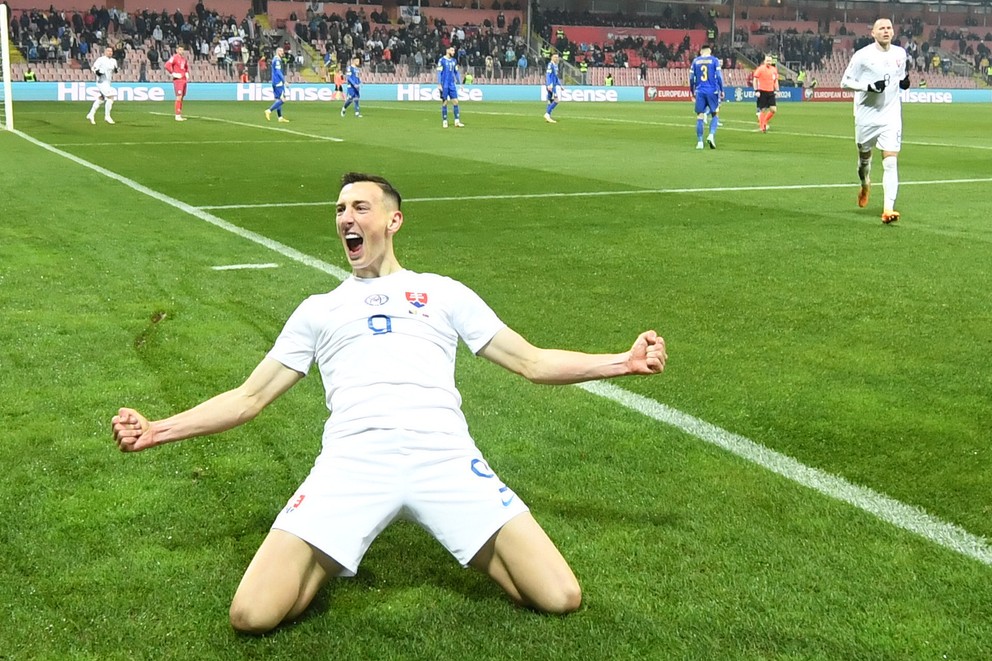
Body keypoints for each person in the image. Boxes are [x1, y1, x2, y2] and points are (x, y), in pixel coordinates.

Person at [111, 171, 668, 635]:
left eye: (359, 207)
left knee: (559, 595)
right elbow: (250, 397)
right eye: (339, 210)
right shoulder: (318, 309)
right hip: (353, 462)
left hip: (444, 456)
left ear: (392, 220)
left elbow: (532, 362)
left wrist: (621, 361)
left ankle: (338, 543)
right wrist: (158, 429)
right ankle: (330, 545)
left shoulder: (445, 292)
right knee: (251, 615)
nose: (345, 219)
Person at [841, 18, 910, 224]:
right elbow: (845, 82)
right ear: (873, 33)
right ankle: (865, 184)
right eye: (881, 28)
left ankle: (888, 209)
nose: (886, 31)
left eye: (889, 28)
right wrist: (868, 87)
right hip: (866, 115)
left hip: (891, 115)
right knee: (864, 161)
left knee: (890, 161)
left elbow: (898, 77)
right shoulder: (863, 56)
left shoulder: (900, 53)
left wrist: (904, 83)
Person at [689, 44, 723, 149]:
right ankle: (711, 135)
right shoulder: (714, 60)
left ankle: (700, 142)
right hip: (712, 91)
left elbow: (691, 78)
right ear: (709, 51)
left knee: (700, 116)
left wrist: (692, 91)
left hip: (700, 91)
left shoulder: (695, 61)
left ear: (701, 51)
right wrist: (721, 89)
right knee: (715, 113)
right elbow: (718, 76)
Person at [87, 46, 119, 125]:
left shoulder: (114, 61)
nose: (110, 52)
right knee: (111, 97)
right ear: (105, 52)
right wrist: (97, 72)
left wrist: (116, 70)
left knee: (101, 98)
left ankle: (91, 114)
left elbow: (116, 71)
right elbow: (93, 68)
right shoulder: (100, 59)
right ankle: (107, 116)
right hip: (101, 81)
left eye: (111, 51)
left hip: (108, 82)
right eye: (108, 51)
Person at [437, 45, 464, 128]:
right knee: (445, 102)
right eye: (452, 50)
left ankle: (457, 121)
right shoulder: (441, 60)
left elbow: (456, 72)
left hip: (452, 84)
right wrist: (439, 84)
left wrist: (460, 83)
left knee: (456, 101)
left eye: (454, 51)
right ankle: (445, 121)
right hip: (444, 84)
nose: (453, 52)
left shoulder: (454, 61)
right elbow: (439, 73)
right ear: (447, 50)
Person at [752, 54, 778, 133]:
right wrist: (756, 90)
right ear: (764, 61)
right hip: (762, 91)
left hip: (771, 92)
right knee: (762, 110)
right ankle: (762, 127)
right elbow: (755, 80)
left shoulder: (774, 69)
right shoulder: (760, 69)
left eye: (770, 61)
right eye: (767, 61)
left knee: (773, 109)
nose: (769, 62)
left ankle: (765, 122)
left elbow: (775, 80)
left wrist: (777, 90)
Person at [164, 45, 190, 122]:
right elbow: (167, 65)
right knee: (179, 96)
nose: (181, 51)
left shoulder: (184, 59)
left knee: (182, 97)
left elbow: (186, 68)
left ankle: (179, 113)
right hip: (178, 80)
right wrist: (173, 73)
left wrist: (186, 73)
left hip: (184, 80)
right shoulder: (174, 57)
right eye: (180, 49)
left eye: (182, 50)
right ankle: (177, 115)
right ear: (177, 50)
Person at [264, 47, 290, 123]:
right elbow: (278, 72)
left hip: (274, 82)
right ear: (278, 52)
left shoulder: (274, 59)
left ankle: (280, 117)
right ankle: (269, 110)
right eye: (281, 51)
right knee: (283, 99)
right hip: (278, 82)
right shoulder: (277, 60)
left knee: (278, 100)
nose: (282, 53)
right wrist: (284, 81)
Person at [544, 51, 563, 123]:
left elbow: (555, 77)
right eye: (555, 57)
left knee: (550, 101)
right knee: (556, 100)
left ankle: (548, 116)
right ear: (552, 57)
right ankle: (547, 114)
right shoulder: (550, 65)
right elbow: (548, 75)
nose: (556, 58)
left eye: (557, 57)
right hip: (551, 86)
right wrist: (549, 84)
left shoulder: (556, 65)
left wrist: (560, 85)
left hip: (553, 85)